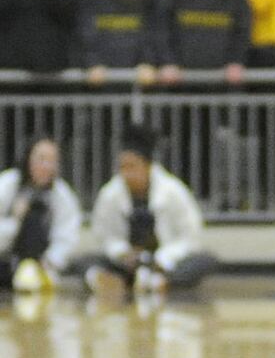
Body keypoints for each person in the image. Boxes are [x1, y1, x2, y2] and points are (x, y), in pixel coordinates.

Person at [85, 124, 216, 296]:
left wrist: (164, 258)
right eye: (123, 167)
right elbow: (104, 235)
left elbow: (190, 236)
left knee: (205, 260)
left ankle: (159, 281)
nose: (127, 173)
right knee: (84, 261)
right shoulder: (110, 194)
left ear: (147, 166)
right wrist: (122, 253)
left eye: (132, 167)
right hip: (128, 261)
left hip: (163, 261)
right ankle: (123, 281)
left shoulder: (173, 191)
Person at [0, 136, 81, 292]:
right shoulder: (7, 184)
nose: (46, 166)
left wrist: (50, 261)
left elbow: (67, 236)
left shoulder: (62, 194)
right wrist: (15, 220)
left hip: (43, 266)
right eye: (41, 159)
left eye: (52, 161)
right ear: (28, 159)